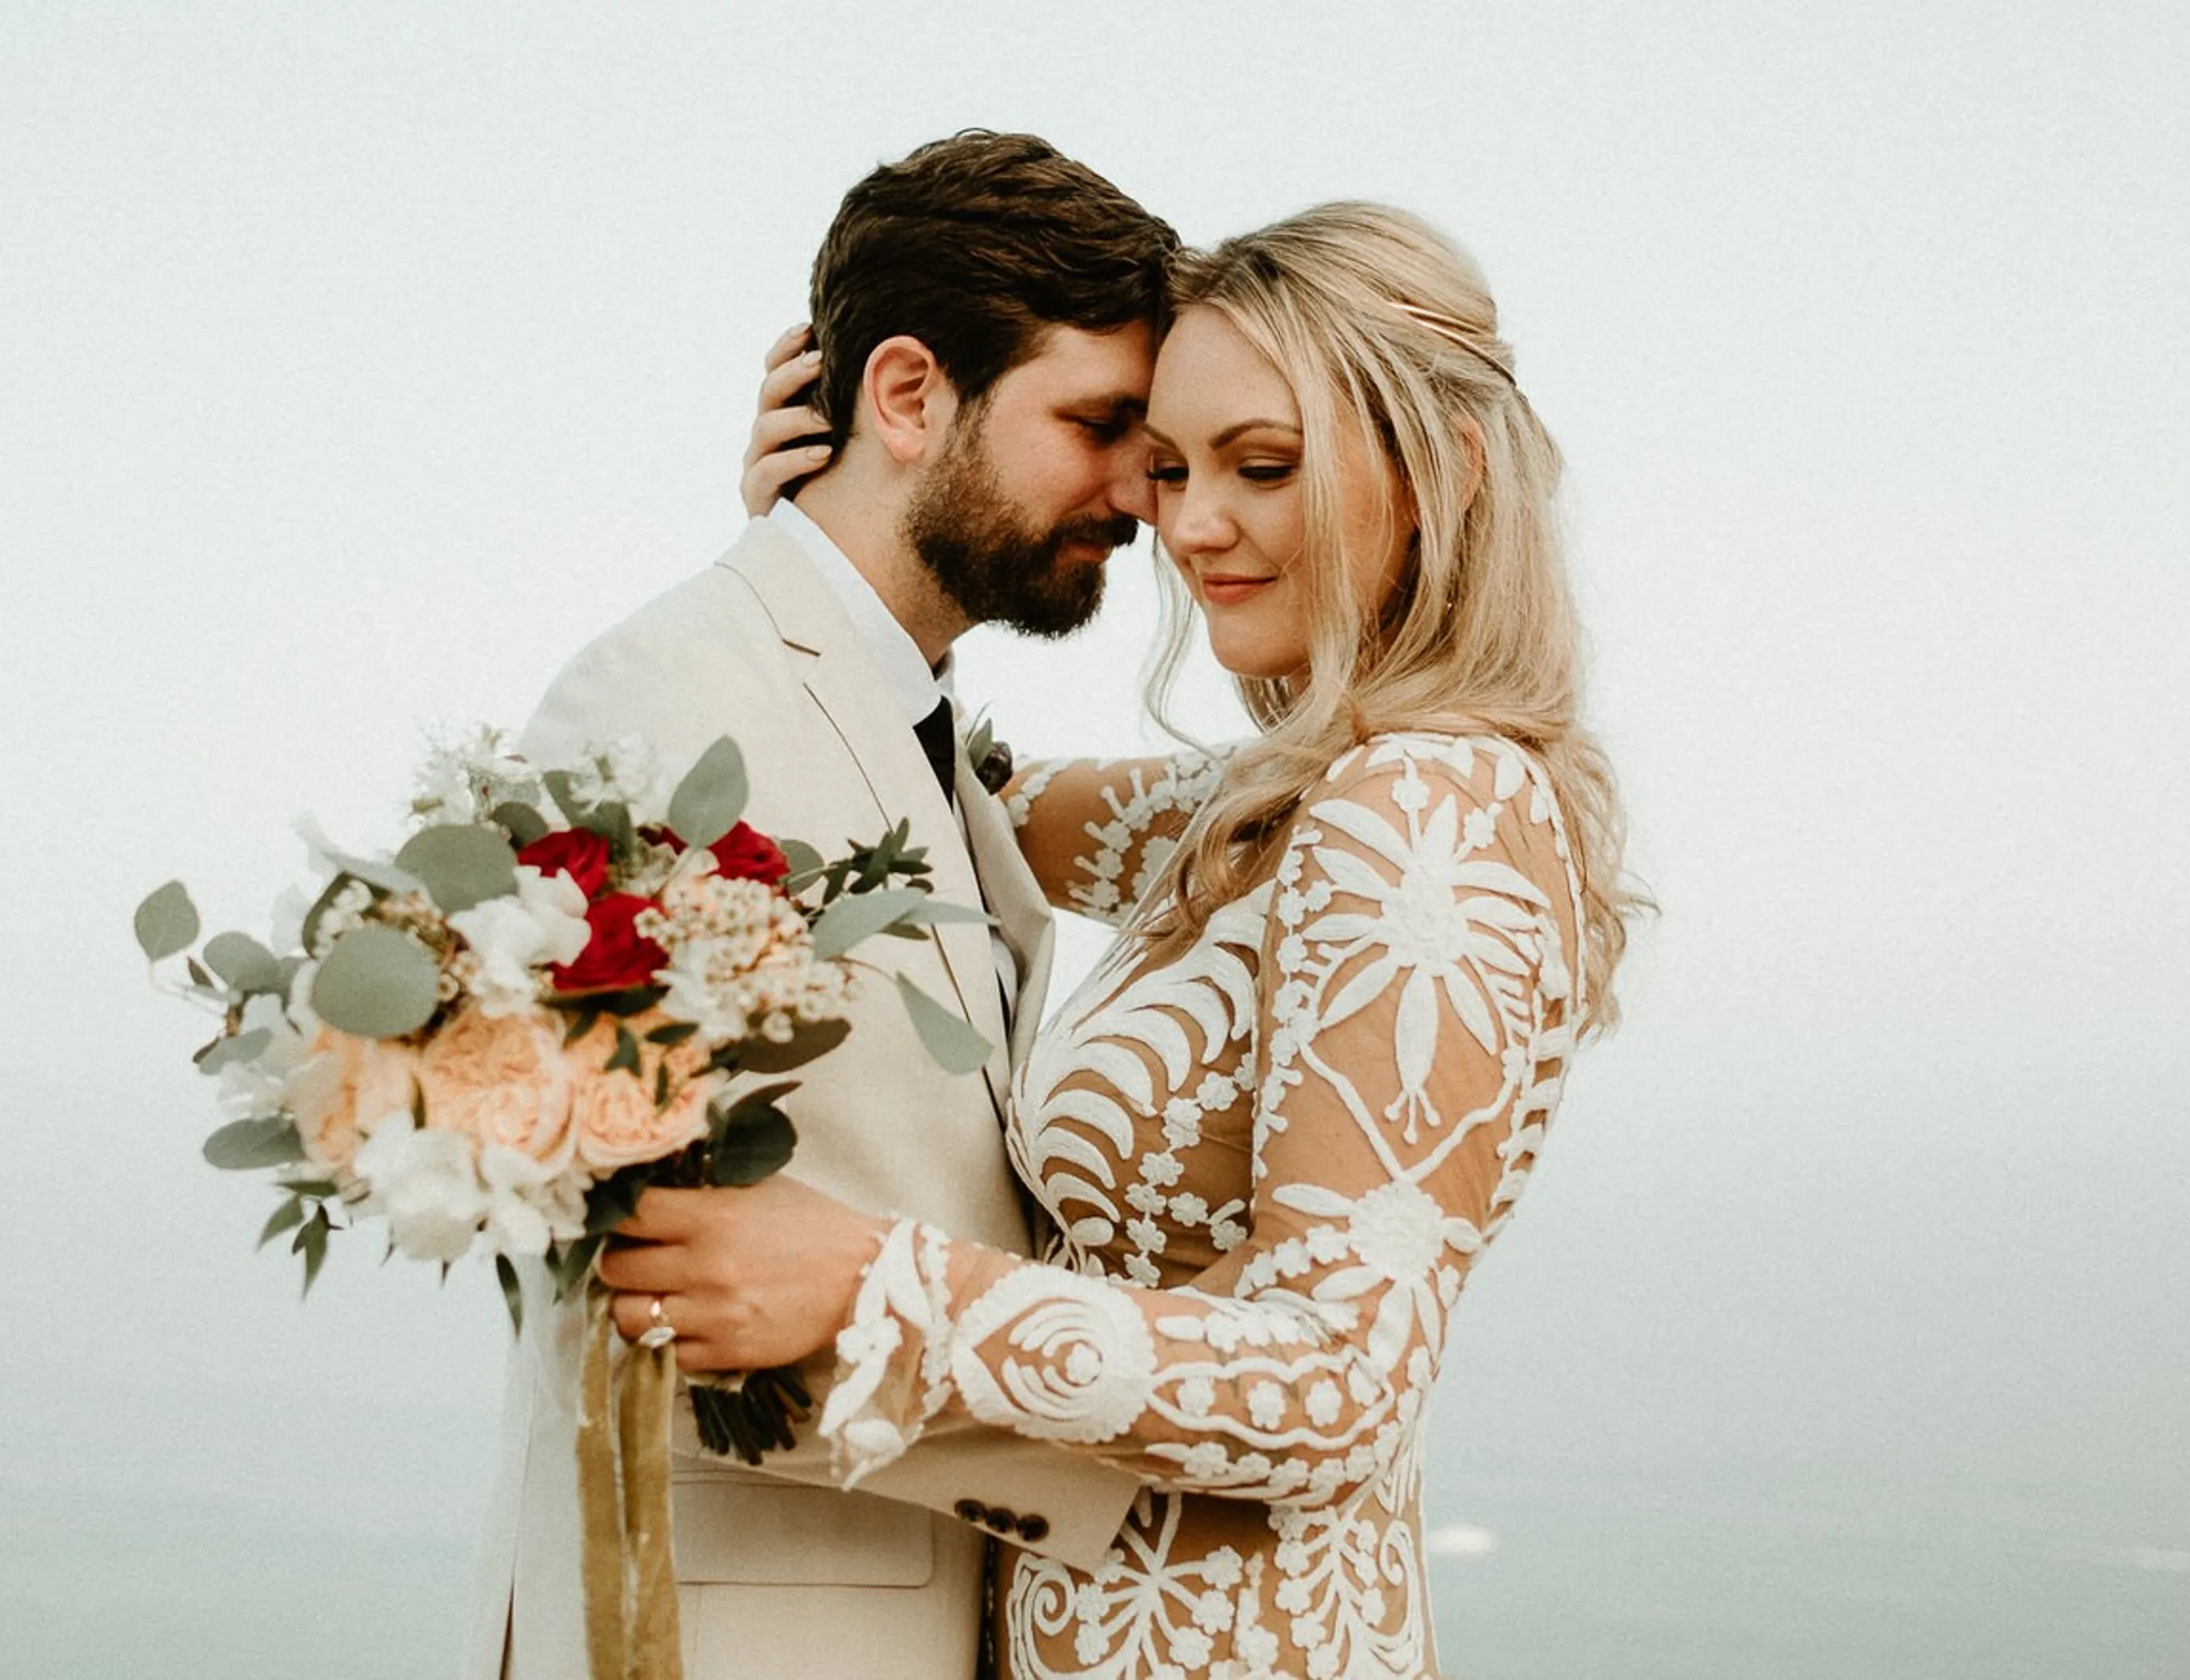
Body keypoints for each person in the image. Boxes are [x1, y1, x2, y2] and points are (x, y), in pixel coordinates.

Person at [597, 202, 1641, 1678]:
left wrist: (865, 1279)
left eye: (1260, 466)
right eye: (1170, 467)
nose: (1190, 523)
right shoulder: (1286, 801)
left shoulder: (1427, 806)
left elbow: (1340, 1382)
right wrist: (834, 561)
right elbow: (966, 801)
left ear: (1447, 466)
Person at [467, 130, 1179, 1680]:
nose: (1141, 493)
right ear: (910, 395)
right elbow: (623, 1277)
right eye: (1100, 425)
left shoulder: (910, 720)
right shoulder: (658, 706)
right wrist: (1116, 1442)